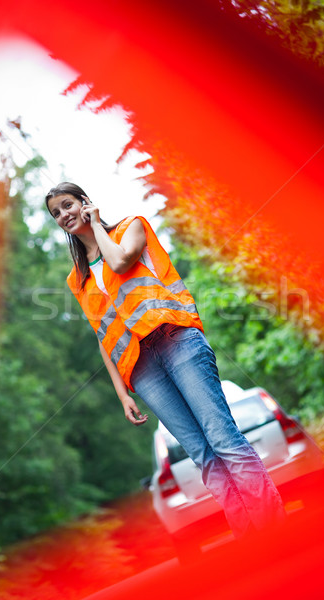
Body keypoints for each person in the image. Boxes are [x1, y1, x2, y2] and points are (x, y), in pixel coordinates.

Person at [45, 181, 286, 540]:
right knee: (203, 456)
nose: (64, 215)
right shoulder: (77, 279)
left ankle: (276, 530)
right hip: (142, 370)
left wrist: (96, 225)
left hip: (177, 342)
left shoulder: (132, 227)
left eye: (68, 205)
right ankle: (252, 538)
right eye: (56, 213)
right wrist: (122, 393)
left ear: (84, 202)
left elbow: (120, 260)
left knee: (224, 441)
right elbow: (103, 335)